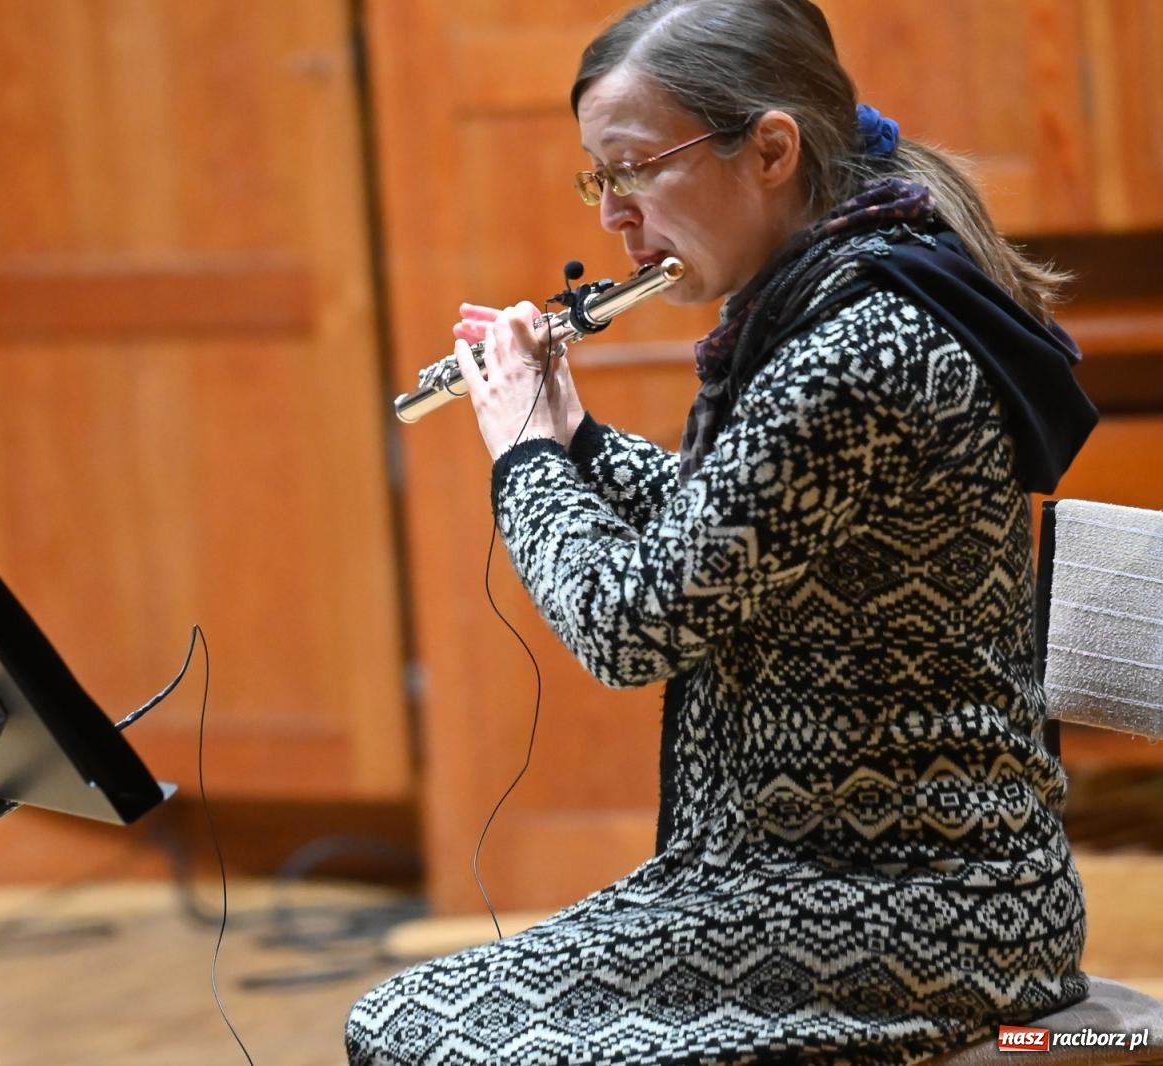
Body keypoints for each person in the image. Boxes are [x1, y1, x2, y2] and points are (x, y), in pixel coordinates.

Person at [346, 0, 1099, 1062]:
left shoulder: (861, 348)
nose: (610, 214)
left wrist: (522, 453)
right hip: (805, 883)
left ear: (771, 150)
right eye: (594, 178)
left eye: (632, 169)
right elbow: (730, 540)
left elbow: (632, 625)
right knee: (411, 1020)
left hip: (920, 910)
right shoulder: (836, 296)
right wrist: (574, 436)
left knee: (410, 1033)